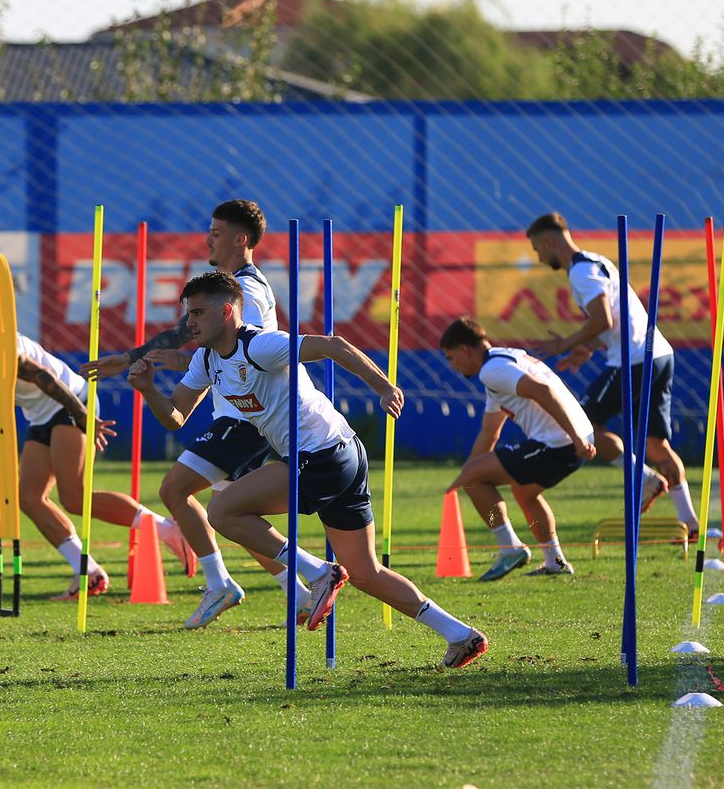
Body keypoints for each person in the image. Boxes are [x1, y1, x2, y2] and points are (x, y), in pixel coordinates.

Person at [128, 271, 488, 669]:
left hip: (321, 455)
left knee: (223, 510)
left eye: (196, 313)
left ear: (227, 311)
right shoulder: (206, 359)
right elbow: (176, 417)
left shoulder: (261, 345)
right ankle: (460, 634)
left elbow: (332, 345)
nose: (189, 323)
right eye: (187, 314)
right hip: (345, 452)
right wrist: (148, 390)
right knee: (366, 572)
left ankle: (319, 572)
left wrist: (384, 386)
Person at [81, 199, 308, 629]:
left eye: (217, 232)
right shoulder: (228, 287)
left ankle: (246, 581)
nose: (208, 239)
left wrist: (182, 364)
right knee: (228, 512)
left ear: (241, 239)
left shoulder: (249, 292)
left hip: (247, 417)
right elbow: (189, 336)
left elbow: (247, 353)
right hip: (238, 413)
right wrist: (131, 356)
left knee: (177, 490)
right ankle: (295, 590)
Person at [0, 332, 196, 600]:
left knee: (75, 497)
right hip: (40, 414)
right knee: (29, 498)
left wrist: (83, 415)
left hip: (71, 399)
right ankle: (89, 573)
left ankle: (167, 529)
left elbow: (42, 376)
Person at [526, 212, 700, 537]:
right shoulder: (595, 260)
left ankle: (645, 479)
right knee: (656, 444)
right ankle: (691, 524)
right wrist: (585, 349)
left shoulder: (580, 272)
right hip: (658, 354)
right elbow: (616, 319)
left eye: (538, 249)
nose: (539, 257)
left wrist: (566, 343)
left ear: (550, 241)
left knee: (583, 425)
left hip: (631, 360)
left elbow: (603, 320)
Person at [440, 317, 597, 580]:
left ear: (465, 350)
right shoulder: (504, 359)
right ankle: (555, 561)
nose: (452, 365)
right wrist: (464, 474)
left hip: (560, 442)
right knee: (525, 493)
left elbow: (543, 391)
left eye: (451, 357)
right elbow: (490, 432)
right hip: (570, 438)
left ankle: (510, 548)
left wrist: (577, 439)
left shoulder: (492, 371)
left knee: (475, 480)